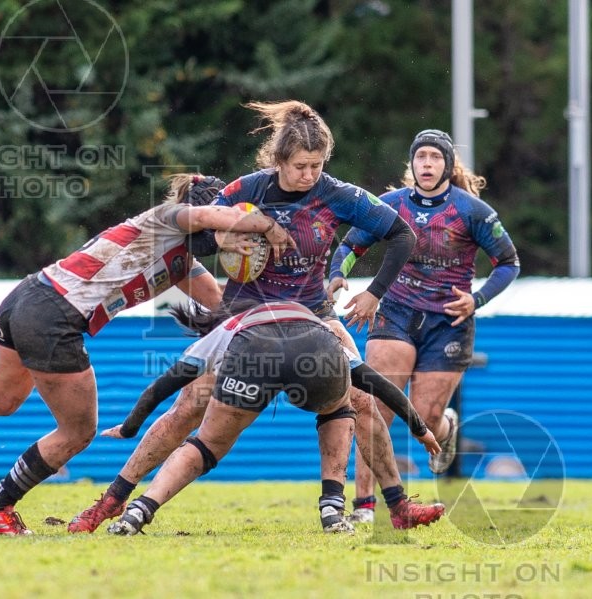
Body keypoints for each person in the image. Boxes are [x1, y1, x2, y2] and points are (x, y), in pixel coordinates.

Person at [68, 101, 445, 534]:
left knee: (361, 399)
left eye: (317, 166)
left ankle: (397, 506)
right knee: (189, 405)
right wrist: (224, 238)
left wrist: (375, 293)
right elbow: (193, 238)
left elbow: (402, 234)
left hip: (312, 311)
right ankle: (112, 499)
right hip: (246, 313)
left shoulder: (339, 194)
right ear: (278, 160)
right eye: (300, 166)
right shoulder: (247, 190)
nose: (309, 175)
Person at [0, 174, 296, 536]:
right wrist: (265, 226)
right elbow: (205, 214)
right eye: (221, 224)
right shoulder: (166, 219)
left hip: (28, 297)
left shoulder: (181, 262)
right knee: (79, 430)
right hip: (54, 315)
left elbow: (222, 309)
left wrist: (277, 307)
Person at [98, 301, 441, 535]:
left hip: (252, 356)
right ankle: (332, 509)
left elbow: (165, 383)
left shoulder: (227, 328)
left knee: (207, 444)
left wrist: (130, 426)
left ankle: (139, 509)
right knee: (340, 408)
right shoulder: (323, 329)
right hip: (313, 353)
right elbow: (378, 384)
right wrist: (420, 429)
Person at [327, 129, 520, 523]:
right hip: (396, 314)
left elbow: (509, 263)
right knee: (373, 409)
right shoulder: (390, 205)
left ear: (448, 165)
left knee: (426, 418)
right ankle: (364, 506)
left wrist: (477, 299)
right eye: (421, 157)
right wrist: (338, 273)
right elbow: (350, 245)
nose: (427, 164)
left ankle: (446, 427)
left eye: (435, 157)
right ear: (411, 163)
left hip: (448, 323)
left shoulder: (472, 211)